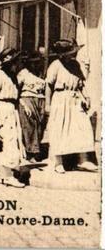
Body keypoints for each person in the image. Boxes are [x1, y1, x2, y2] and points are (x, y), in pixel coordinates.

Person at [46, 38, 97, 174]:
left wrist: (86, 97)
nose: (73, 54)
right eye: (70, 52)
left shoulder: (76, 65)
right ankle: (58, 162)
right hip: (60, 99)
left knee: (82, 127)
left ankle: (83, 160)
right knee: (60, 129)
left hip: (75, 99)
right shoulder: (55, 65)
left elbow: (81, 83)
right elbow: (49, 86)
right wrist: (47, 104)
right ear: (62, 54)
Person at [0, 47, 26, 188]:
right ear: (9, 63)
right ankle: (8, 176)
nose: (18, 65)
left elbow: (16, 97)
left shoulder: (13, 77)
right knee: (8, 142)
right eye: (16, 62)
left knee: (10, 141)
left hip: (12, 110)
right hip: (3, 110)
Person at [17, 52, 46, 161]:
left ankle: (36, 149)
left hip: (41, 100)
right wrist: (23, 103)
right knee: (29, 126)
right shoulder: (23, 73)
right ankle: (30, 153)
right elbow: (17, 91)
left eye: (38, 62)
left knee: (39, 126)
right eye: (34, 63)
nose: (36, 65)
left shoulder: (41, 73)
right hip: (27, 99)